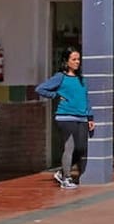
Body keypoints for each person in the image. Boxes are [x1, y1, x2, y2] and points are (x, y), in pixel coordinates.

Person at [36, 47, 95, 189]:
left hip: (81, 117)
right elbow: (40, 89)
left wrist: (90, 117)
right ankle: (66, 178)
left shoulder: (81, 79)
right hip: (65, 117)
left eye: (78, 59)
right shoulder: (60, 77)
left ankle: (62, 172)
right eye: (73, 59)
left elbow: (86, 98)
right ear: (66, 61)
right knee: (70, 147)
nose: (77, 62)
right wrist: (55, 95)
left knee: (81, 148)